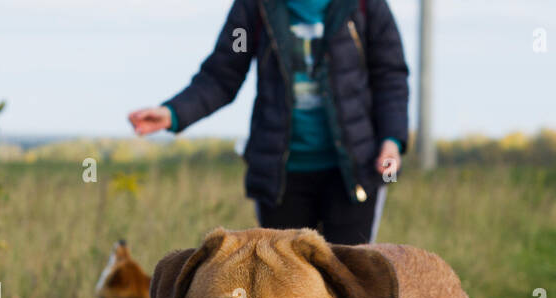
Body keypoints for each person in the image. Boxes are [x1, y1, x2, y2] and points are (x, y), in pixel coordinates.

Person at [128, 0, 409, 245]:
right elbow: (222, 74)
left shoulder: (365, 5)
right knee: (285, 288)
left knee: (349, 282)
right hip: (281, 178)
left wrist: (391, 141)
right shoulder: (254, 7)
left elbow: (390, 77)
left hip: (353, 173)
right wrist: (173, 113)